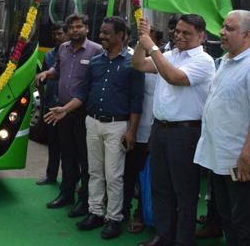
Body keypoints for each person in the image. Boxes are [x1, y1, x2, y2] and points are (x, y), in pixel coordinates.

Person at [46, 16, 144, 239]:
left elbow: (137, 101)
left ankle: (114, 219)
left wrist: (132, 131)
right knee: (94, 172)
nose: (101, 37)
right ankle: (95, 213)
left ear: (120, 35)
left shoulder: (132, 64)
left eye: (106, 33)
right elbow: (83, 93)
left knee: (114, 175)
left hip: (117, 126)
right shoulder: (97, 62)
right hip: (92, 122)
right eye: (101, 32)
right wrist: (65, 109)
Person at [194, 10, 250, 246]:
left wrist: (246, 155)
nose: (221, 32)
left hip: (240, 163)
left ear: (247, 35)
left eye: (229, 28)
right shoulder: (228, 61)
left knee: (244, 223)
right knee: (229, 218)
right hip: (220, 159)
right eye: (223, 27)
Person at [133, 14, 215, 246]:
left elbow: (174, 77)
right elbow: (139, 64)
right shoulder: (170, 55)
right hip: (161, 129)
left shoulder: (204, 60)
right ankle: (164, 235)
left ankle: (183, 240)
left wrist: (152, 47)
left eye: (186, 32)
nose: (179, 35)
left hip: (185, 133)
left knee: (185, 192)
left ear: (201, 36)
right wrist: (142, 41)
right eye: (177, 31)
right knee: (161, 188)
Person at [35, 13, 103, 217]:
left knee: (85, 158)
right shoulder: (63, 49)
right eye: (71, 27)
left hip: (83, 112)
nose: (74, 30)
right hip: (62, 110)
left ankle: (84, 201)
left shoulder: (96, 50)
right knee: (67, 154)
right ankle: (66, 195)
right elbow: (58, 70)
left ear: (87, 28)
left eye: (78, 27)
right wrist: (47, 73)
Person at [123, 25, 162, 234]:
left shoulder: (161, 66)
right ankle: (122, 210)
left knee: (146, 176)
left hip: (149, 131)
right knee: (128, 173)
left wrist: (151, 136)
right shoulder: (134, 63)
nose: (145, 42)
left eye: (149, 39)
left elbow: (161, 102)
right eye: (141, 38)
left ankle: (142, 215)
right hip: (131, 129)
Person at [37, 22, 68, 186]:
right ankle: (51, 175)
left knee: (69, 146)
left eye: (60, 34)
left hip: (67, 107)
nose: (57, 37)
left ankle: (71, 179)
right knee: (53, 143)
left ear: (67, 34)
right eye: (54, 34)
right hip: (51, 105)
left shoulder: (73, 55)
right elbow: (43, 77)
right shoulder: (48, 55)